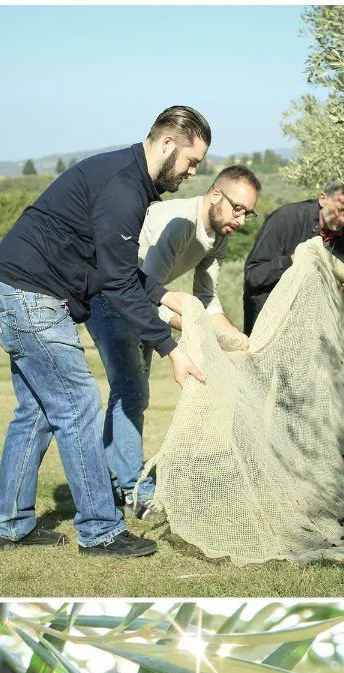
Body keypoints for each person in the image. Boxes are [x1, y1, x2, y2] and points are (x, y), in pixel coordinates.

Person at [0, 105, 211, 557]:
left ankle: (9, 525)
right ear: (168, 143)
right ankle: (101, 531)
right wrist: (170, 348)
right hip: (31, 294)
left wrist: (169, 297)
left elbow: (118, 269)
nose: (191, 172)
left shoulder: (126, 179)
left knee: (37, 411)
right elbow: (118, 284)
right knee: (79, 406)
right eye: (190, 162)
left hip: (14, 286)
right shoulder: (124, 188)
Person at [86, 165, 261, 514]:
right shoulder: (180, 223)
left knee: (130, 393)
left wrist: (237, 338)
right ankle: (137, 490)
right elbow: (144, 291)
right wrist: (188, 325)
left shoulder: (218, 237)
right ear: (215, 195)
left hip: (139, 299)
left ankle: (114, 484)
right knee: (131, 392)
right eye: (237, 208)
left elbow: (207, 301)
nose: (241, 220)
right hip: (111, 295)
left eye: (249, 213)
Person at [242, 180, 344, 336]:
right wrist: (291, 261)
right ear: (323, 199)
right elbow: (254, 275)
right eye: (340, 210)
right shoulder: (285, 218)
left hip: (309, 322)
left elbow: (339, 266)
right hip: (267, 319)